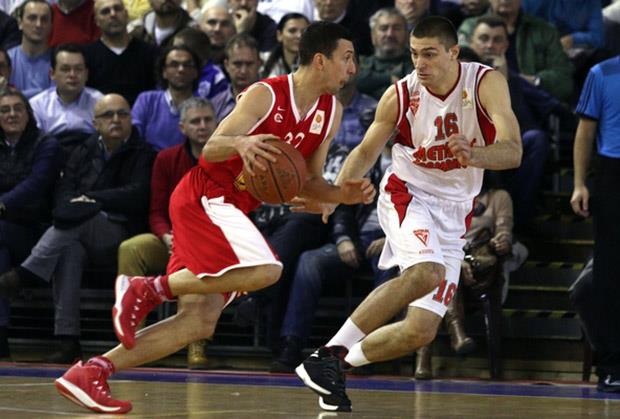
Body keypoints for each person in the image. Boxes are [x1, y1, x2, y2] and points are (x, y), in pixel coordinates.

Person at [54, 21, 373, 414]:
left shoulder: (331, 111)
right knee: (268, 269)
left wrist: (339, 196)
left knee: (198, 323)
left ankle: (92, 372)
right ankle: (148, 287)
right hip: (205, 196)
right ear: (321, 60)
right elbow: (211, 150)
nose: (353, 68)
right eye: (347, 58)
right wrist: (241, 143)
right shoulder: (266, 94)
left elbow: (308, 181)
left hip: (232, 208)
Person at [294, 16, 521, 412]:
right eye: (414, 54)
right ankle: (327, 354)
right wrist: (333, 195)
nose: (420, 63)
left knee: (420, 330)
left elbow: (513, 151)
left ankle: (335, 368)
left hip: (455, 213)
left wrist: (475, 154)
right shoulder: (400, 94)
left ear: (453, 53)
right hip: (408, 194)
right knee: (426, 272)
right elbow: (365, 151)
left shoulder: (485, 83)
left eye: (429, 54)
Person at [0, 93, 154, 363]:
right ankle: (68, 340)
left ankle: (26, 274)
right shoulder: (83, 150)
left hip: (121, 232)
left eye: (122, 114)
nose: (116, 120)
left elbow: (137, 195)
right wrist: (75, 207)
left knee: (79, 221)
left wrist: (92, 200)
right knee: (68, 249)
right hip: (77, 229)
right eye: (108, 115)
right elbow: (64, 190)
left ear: (131, 119)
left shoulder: (144, 153)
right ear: (95, 123)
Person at [117, 97, 217, 369]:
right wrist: (166, 236)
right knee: (131, 248)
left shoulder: (227, 160)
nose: (202, 126)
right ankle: (132, 333)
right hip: (170, 239)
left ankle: (196, 342)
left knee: (199, 258)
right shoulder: (166, 158)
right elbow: (156, 211)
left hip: (210, 244)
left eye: (208, 120)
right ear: (182, 127)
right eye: (195, 121)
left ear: (217, 123)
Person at [570, 54, 620, 393]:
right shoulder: (601, 73)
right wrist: (578, 183)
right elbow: (585, 132)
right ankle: (613, 366)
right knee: (610, 275)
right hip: (613, 175)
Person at [0, 87, 59, 358]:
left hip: (36, 230)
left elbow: (36, 185)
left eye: (17, 109)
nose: (12, 114)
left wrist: (3, 203)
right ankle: (1, 336)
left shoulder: (46, 144)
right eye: (4, 110)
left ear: (28, 113)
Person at [83, 0, 158, 105]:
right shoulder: (86, 56)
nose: (113, 14)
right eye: (105, 11)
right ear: (97, 21)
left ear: (126, 14)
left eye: (117, 9)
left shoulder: (151, 53)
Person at [131, 45, 200, 151]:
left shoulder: (203, 107)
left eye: (187, 65)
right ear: (164, 72)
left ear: (195, 72)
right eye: (174, 65)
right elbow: (133, 136)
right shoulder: (146, 100)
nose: (181, 69)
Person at [7, 0, 53, 98]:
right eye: (32, 18)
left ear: (51, 25)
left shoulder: (57, 62)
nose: (38, 24)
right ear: (20, 23)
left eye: (44, 19)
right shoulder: (6, 60)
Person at [260, 12, 309, 78]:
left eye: (304, 31)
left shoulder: (317, 63)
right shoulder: (263, 60)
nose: (299, 36)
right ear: (279, 35)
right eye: (292, 31)